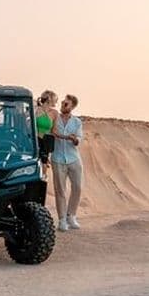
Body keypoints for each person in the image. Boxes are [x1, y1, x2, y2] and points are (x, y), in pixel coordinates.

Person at [51, 94, 84, 232]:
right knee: (60, 190)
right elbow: (52, 132)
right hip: (58, 159)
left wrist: (74, 139)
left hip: (73, 158)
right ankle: (62, 219)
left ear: (72, 107)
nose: (63, 105)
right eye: (63, 103)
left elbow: (79, 139)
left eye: (66, 104)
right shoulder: (55, 118)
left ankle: (72, 216)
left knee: (78, 187)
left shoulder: (77, 122)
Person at [34, 90, 59, 171]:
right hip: (35, 141)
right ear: (49, 99)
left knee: (44, 167)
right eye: (55, 99)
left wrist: (65, 137)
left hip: (46, 143)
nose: (56, 101)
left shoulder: (55, 113)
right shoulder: (36, 110)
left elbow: (54, 131)